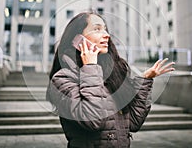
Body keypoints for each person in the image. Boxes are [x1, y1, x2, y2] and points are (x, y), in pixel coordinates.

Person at [46, 11, 175, 148]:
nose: (106, 35)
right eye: (97, 29)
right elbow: (93, 121)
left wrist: (144, 81)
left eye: (105, 29)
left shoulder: (112, 76)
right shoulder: (62, 79)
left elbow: (134, 123)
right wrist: (90, 66)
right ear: (77, 39)